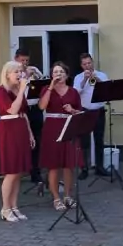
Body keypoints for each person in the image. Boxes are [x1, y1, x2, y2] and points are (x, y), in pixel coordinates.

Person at [38, 62, 84, 211]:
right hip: (52, 127)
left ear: (67, 75)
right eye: (56, 72)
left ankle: (67, 196)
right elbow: (42, 106)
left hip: (68, 126)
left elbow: (80, 112)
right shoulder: (46, 89)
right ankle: (56, 198)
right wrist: (51, 87)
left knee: (68, 164)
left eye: (62, 72)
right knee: (53, 165)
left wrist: (72, 110)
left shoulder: (73, 92)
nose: (59, 74)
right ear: (52, 75)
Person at [0, 61, 35, 222]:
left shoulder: (18, 89)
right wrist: (22, 90)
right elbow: (13, 110)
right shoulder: (1, 91)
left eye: (20, 71)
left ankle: (14, 206)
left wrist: (30, 134)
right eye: (16, 72)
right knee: (11, 171)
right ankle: (5, 208)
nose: (19, 74)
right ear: (7, 74)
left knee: (18, 172)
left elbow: (23, 113)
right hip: (8, 130)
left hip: (21, 128)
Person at [73, 53, 111, 179]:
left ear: (92, 63)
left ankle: (99, 167)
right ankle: (84, 168)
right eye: (84, 64)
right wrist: (85, 80)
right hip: (85, 111)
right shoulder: (78, 77)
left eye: (89, 63)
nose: (87, 66)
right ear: (81, 65)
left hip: (99, 111)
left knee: (99, 140)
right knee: (84, 141)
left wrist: (97, 79)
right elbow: (75, 93)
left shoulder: (102, 75)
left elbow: (107, 89)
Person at [14, 48, 44, 184]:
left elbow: (43, 84)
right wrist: (25, 76)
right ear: (16, 59)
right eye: (22, 60)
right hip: (22, 109)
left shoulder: (34, 69)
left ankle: (35, 172)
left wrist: (35, 75)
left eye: (27, 60)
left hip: (35, 108)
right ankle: (20, 169)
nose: (25, 63)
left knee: (36, 139)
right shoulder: (13, 72)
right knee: (22, 140)